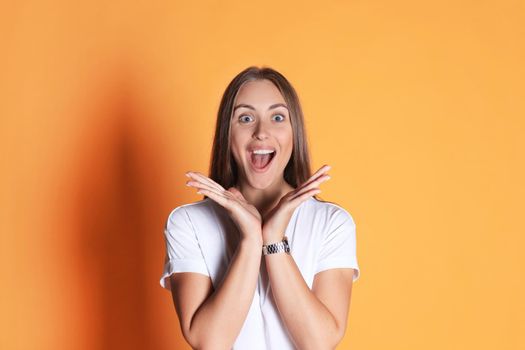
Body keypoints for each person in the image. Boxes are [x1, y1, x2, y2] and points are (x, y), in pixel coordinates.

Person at [159, 66, 360, 350]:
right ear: (227, 135)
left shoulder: (332, 223)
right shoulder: (188, 223)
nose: (261, 132)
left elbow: (319, 343)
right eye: (245, 118)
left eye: (277, 117)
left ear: (294, 133)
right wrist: (251, 239)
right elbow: (209, 343)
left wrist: (274, 239)